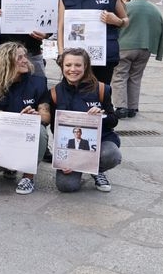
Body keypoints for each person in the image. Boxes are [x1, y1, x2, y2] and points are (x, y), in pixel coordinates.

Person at [50, 48, 121, 193]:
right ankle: (81, 168)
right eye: (68, 65)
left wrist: (101, 115)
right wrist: (63, 160)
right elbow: (54, 128)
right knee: (66, 186)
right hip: (71, 149)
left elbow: (113, 120)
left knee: (112, 154)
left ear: (86, 67)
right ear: (62, 67)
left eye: (78, 65)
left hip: (100, 142)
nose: (73, 69)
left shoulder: (102, 89)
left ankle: (97, 170)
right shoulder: (54, 93)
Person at [0, 42, 51, 195]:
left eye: (25, 56)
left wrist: (35, 116)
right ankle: (10, 165)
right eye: (19, 57)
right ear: (6, 62)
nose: (25, 60)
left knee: (40, 130)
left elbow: (46, 116)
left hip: (30, 133)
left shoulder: (38, 81)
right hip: (5, 132)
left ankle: (28, 176)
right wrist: (20, 119)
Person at [58, 0, 129, 84]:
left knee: (101, 94)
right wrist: (61, 54)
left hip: (104, 55)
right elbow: (60, 25)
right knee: (74, 95)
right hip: (75, 57)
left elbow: (126, 21)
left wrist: (117, 21)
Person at [111, 0, 163, 119]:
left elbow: (116, 23)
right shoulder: (154, 10)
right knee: (136, 77)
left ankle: (121, 107)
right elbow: (161, 30)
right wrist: (158, 51)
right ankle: (132, 107)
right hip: (145, 48)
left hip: (124, 47)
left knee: (119, 76)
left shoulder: (125, 6)